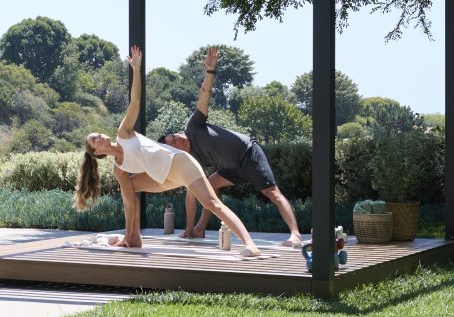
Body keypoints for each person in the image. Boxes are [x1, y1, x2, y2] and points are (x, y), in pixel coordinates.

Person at [75, 44, 262, 256]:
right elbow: (129, 203)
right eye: (95, 140)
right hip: (163, 178)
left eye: (97, 134)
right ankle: (133, 238)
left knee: (213, 204)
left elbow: (135, 101)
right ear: (97, 153)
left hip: (180, 164)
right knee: (128, 190)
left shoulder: (124, 133)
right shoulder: (119, 169)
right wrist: (128, 233)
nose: (99, 135)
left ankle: (250, 244)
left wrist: (136, 69)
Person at [161, 46, 305, 249]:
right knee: (208, 186)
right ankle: (199, 229)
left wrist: (210, 70)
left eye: (174, 136)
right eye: (173, 143)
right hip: (232, 167)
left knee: (272, 193)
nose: (177, 139)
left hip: (248, 153)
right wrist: (188, 229)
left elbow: (204, 94)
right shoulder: (190, 158)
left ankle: (295, 235)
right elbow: (191, 194)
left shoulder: (193, 126)